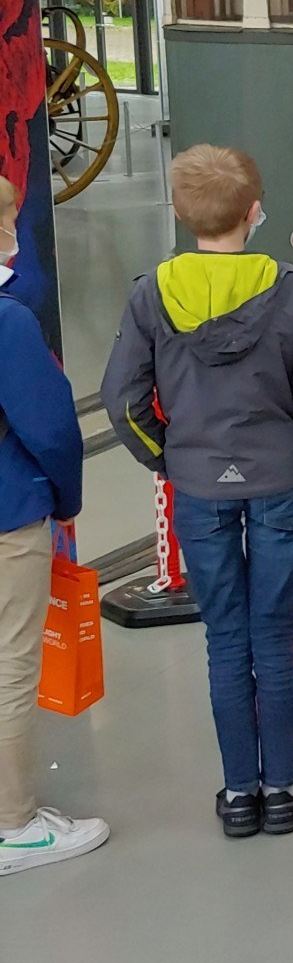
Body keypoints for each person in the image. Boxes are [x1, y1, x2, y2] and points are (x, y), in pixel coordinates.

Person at [104, 145, 293, 838]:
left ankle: (239, 794)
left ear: (183, 216)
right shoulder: (288, 290)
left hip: (199, 486)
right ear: (253, 212)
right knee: (274, 633)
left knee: (225, 637)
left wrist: (166, 457)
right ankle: (281, 790)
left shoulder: (152, 291)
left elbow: (121, 401)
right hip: (279, 483)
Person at [0, 174, 104, 873]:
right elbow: (52, 428)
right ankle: (13, 825)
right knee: (11, 665)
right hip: (9, 514)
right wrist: (65, 499)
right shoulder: (9, 323)